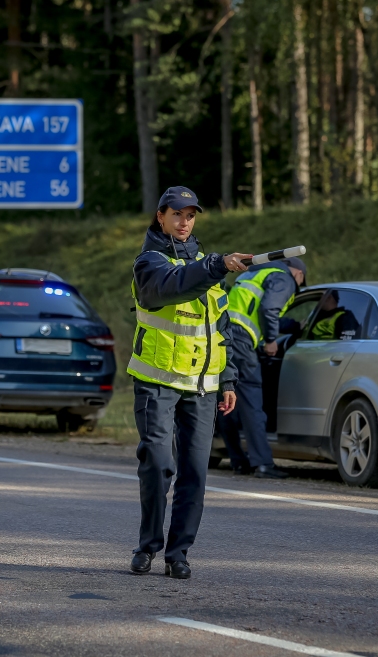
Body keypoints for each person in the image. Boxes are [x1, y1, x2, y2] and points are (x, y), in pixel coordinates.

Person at [128, 186, 252, 580]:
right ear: (160, 216)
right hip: (156, 382)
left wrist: (228, 379)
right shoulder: (149, 262)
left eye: (191, 215)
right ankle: (148, 545)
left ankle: (178, 553)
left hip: (203, 386)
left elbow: (222, 328)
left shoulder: (206, 266)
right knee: (158, 465)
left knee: (195, 473)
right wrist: (216, 264)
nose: (184, 222)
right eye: (177, 214)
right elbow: (174, 286)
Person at [221, 257, 307, 479]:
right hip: (242, 342)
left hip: (224, 337)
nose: (297, 287)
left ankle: (238, 461)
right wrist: (270, 340)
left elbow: (260, 309)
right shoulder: (285, 278)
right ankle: (263, 464)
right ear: (298, 273)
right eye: (301, 282)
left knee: (227, 401)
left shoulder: (255, 274)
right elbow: (269, 308)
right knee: (252, 403)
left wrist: (295, 326)